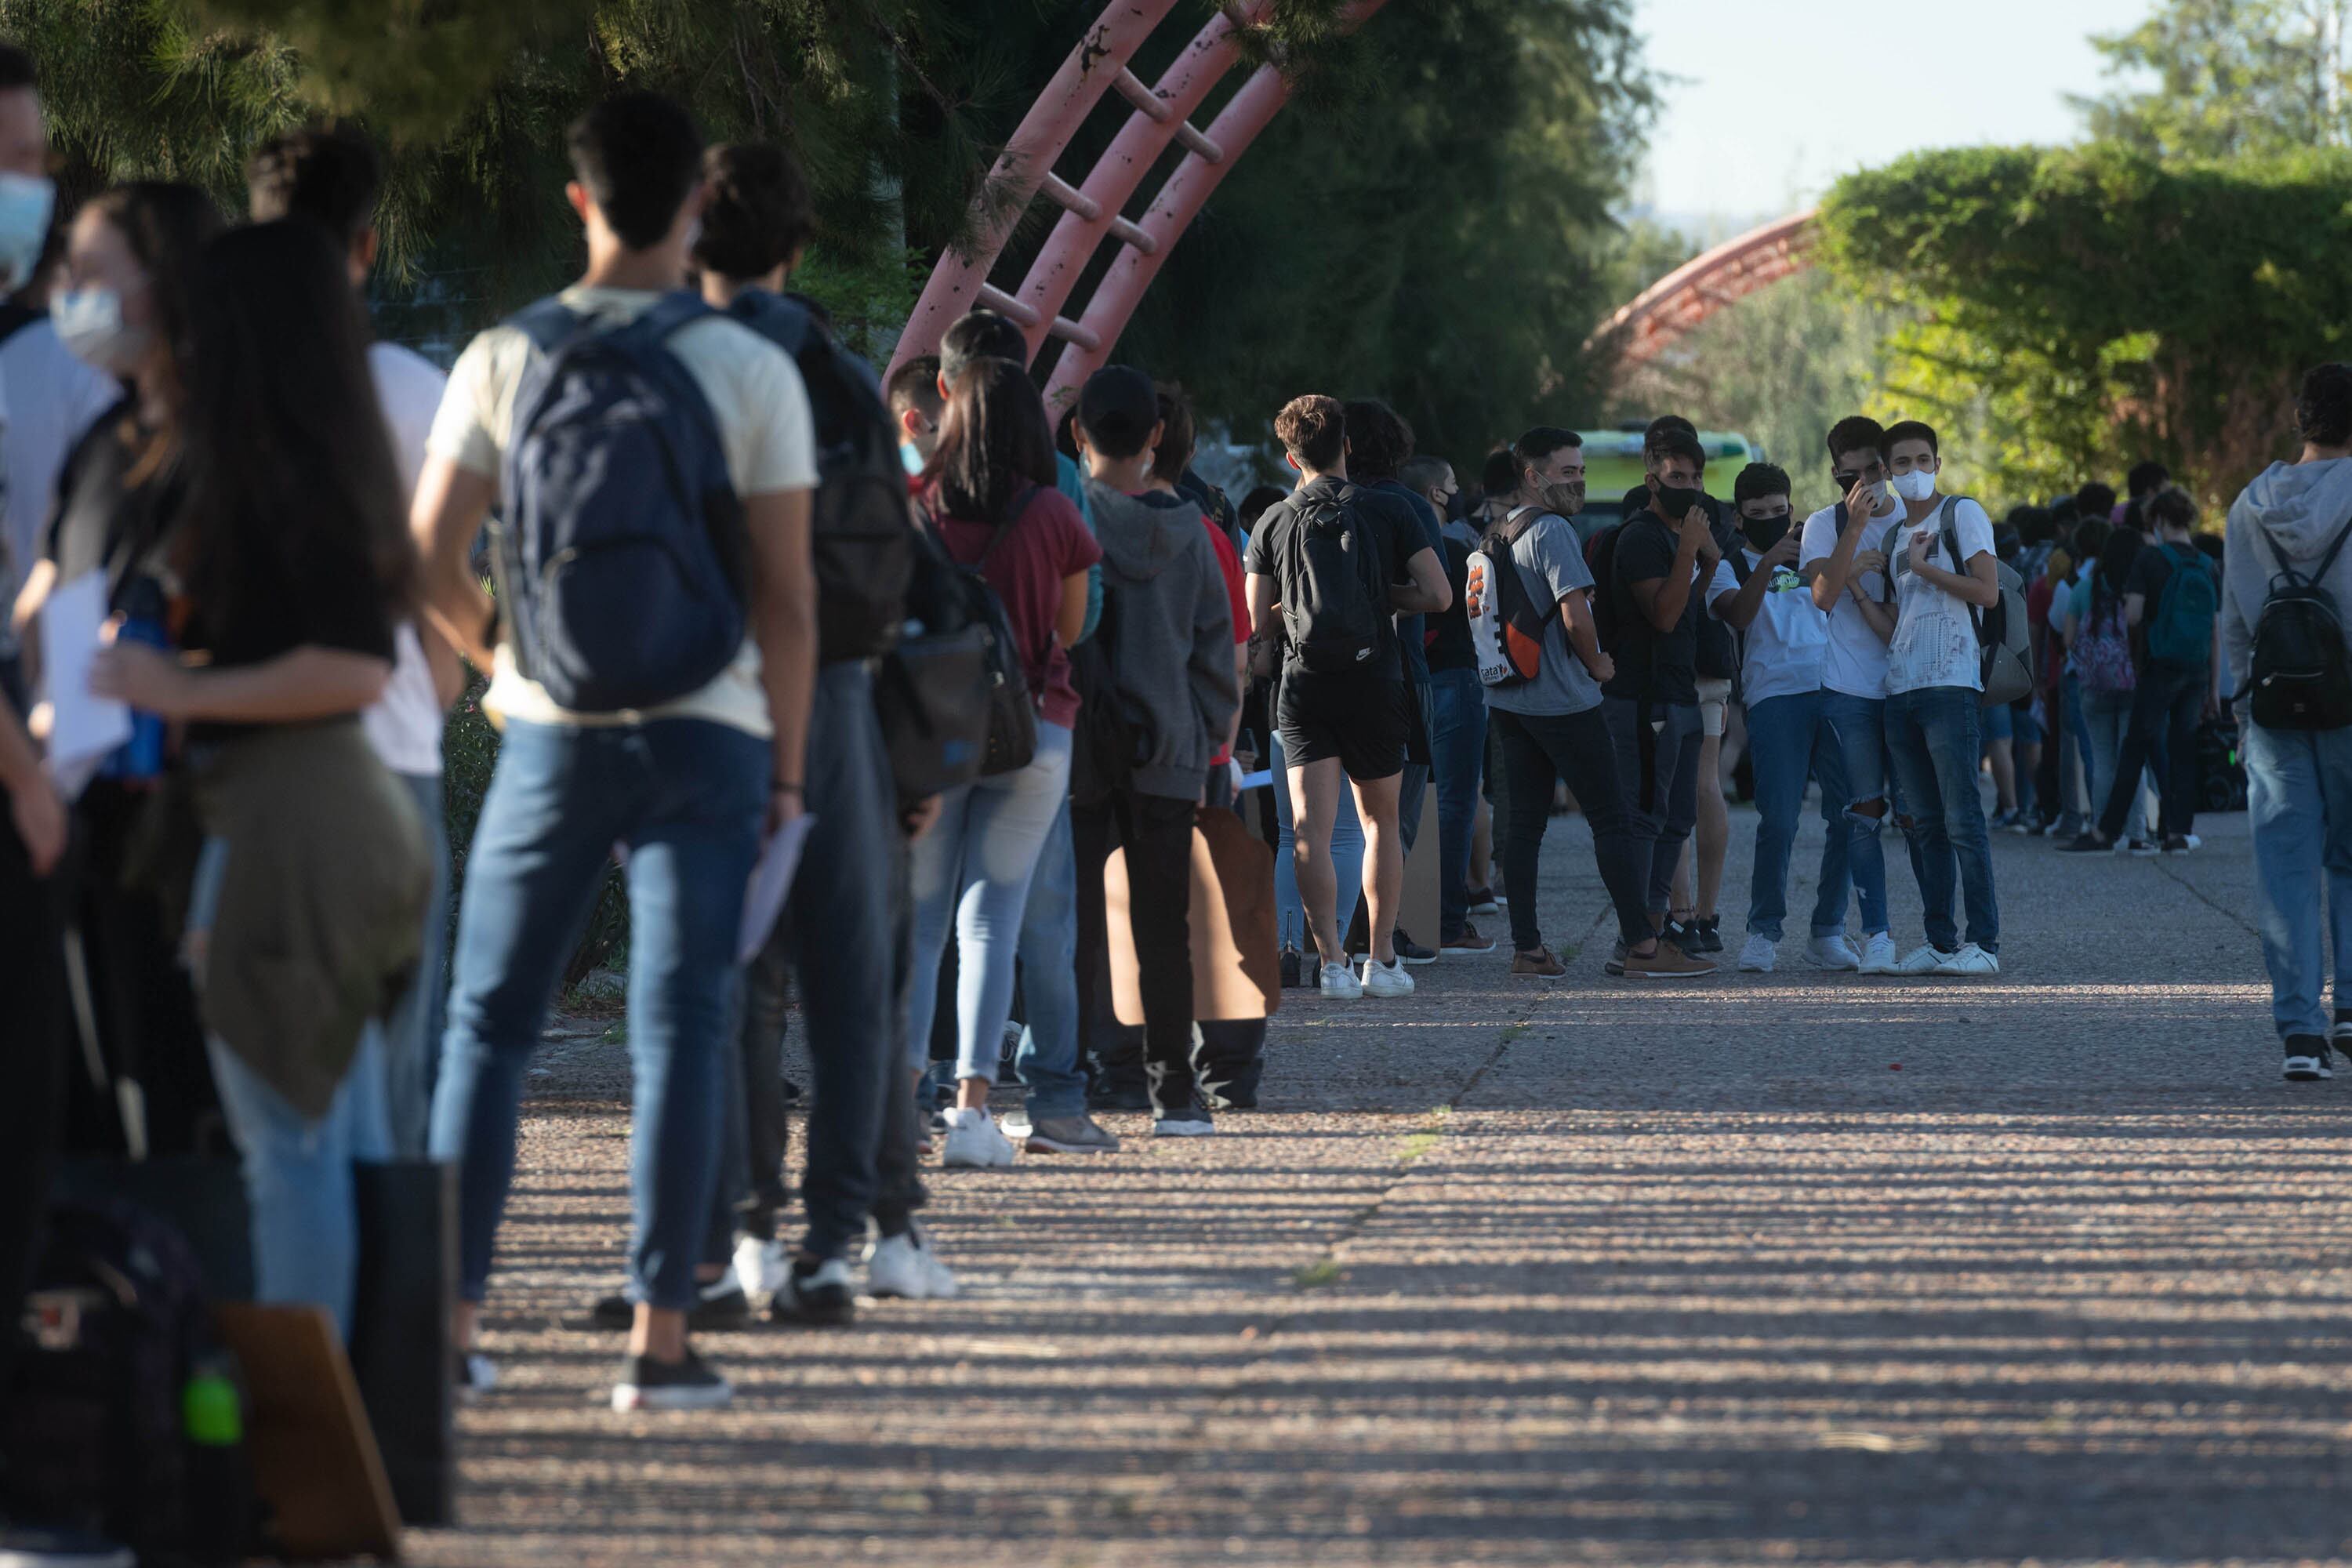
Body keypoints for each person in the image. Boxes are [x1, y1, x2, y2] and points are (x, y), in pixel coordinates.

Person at [416, 93, 819, 1413]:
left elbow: (425, 557)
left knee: (486, 1030)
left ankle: (450, 1330)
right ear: (696, 210)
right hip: (709, 735)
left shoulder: (501, 357)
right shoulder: (751, 366)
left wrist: (508, 660)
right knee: (682, 1026)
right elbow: (788, 599)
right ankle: (656, 1346)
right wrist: (788, 774)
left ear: (576, 200)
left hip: (550, 735)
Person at [89, 219, 428, 1338]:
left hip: (291, 831)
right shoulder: (318, 458)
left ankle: (304, 1462)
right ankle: (365, 1439)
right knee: (337, 1146)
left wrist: (174, 690)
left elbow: (348, 663)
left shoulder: (279, 477)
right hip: (330, 826)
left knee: (294, 1158)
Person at [688, 141, 950, 1307]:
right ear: (794, 247)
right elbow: (894, 555)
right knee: (857, 978)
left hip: (703, 688)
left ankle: (743, 1233)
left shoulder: (672, 361)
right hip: (838, 687)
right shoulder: (842, 376)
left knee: (733, 978)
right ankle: (848, 1236)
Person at [245, 122, 459, 1160]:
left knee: (278, 1098)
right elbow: (446, 593)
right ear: (367, 247)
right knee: (397, 1070)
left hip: (246, 764)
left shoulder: (211, 391)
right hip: (397, 756)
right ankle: (404, 1318)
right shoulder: (416, 393)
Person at [16, 183, 225, 1156]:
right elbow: (52, 586)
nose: (70, 292)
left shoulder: (236, 443)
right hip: (80, 811)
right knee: (96, 1104)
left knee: (186, 1108)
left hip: (188, 829)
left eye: (94, 273)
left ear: (166, 283)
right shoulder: (105, 439)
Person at [902, 355, 1099, 1162]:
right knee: (993, 922)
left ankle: (900, 1102)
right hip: (1032, 726)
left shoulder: (914, 504)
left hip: (929, 732)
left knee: (917, 926)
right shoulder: (1052, 510)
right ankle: (976, 1112)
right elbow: (1073, 629)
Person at [1069, 365, 1239, 1134]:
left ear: (1078, 433)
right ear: (1157, 436)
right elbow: (1215, 658)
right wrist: (1210, 746)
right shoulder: (1193, 533)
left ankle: (1089, 1079)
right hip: (1171, 745)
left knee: (1074, 922)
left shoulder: (1069, 518)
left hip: (1077, 746)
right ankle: (1177, 1091)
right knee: (1164, 926)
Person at [1243, 394, 1449, 999]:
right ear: (1348, 447)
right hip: (1375, 681)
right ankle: (1380, 959)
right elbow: (1437, 595)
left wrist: (1303, 611)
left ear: (1289, 457)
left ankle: (1330, 964)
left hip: (1303, 686)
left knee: (1308, 829)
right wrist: (1379, 599)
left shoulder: (1274, 521)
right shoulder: (1391, 510)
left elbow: (1256, 620)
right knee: (1380, 822)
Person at [1486, 427, 1710, 978]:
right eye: (1567, 472)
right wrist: (1597, 664)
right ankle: (1643, 946)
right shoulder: (1554, 530)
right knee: (1612, 818)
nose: (1578, 480)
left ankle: (1528, 948)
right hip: (1564, 699)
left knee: (1524, 825)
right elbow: (1575, 615)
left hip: (1512, 698)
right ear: (1533, 477)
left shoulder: (1502, 530)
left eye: (1581, 470)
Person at [2226, 363, 2352, 1081]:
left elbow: (2235, 621)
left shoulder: (2249, 504)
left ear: (2301, 420)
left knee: (2286, 871)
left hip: (2274, 706)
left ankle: (2301, 1035)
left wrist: (2243, 709)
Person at [1706, 463, 1856, 973]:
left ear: (1792, 509)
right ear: (1740, 519)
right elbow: (1739, 615)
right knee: (1779, 820)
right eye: (1758, 515)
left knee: (1851, 813)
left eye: (1779, 512)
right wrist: (1768, 560)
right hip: (1775, 697)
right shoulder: (1730, 566)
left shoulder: (1816, 554)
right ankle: (1763, 932)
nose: (1772, 519)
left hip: (1835, 689)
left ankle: (1828, 931)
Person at [1878, 420, 2001, 975]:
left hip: (1951, 683)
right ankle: (1939, 940)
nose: (1913, 471)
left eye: (1922, 459)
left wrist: (1927, 568)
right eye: (1901, 463)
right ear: (1887, 472)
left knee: (1962, 820)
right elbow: (1898, 619)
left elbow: (1988, 592)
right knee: (1922, 823)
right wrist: (1855, 589)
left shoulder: (1962, 514)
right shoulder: (1890, 537)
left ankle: (1984, 943)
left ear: (1939, 463)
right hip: (1901, 686)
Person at [1600, 427, 1719, 967]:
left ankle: (1652, 929)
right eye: (1676, 478)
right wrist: (1692, 549)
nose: (1689, 488)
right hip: (1645, 701)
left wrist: (1709, 563)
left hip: (1679, 696)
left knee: (1676, 819)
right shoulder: (1642, 537)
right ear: (1651, 480)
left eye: (1695, 477)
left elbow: (1688, 611)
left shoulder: (1676, 539)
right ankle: (1637, 939)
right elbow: (1664, 615)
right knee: (1644, 817)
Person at [1798, 416, 1903, 975]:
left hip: (1914, 683)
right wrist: (1854, 532)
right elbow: (1821, 594)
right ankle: (1877, 935)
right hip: (1849, 688)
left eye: (1874, 471)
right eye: (1850, 477)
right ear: (1836, 475)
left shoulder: (1918, 516)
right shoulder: (1825, 524)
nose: (1863, 484)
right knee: (1863, 813)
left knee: (1920, 815)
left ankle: (1944, 935)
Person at [1341, 398, 1444, 965]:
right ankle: (1382, 934)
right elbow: (1437, 591)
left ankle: (1333, 936)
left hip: (1319, 675)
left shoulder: (1310, 504)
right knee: (1395, 813)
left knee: (1328, 821)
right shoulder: (1408, 506)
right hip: (1400, 670)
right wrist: (1381, 602)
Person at [2067, 488, 2220, 856]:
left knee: (2135, 748)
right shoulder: (2207, 563)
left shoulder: (2150, 559)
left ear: (2159, 520)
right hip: (2197, 670)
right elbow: (2214, 629)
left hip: (2159, 667)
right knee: (2183, 750)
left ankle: (2106, 831)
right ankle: (2177, 831)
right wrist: (2213, 688)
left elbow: (2133, 615)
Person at [1401, 451, 1491, 954]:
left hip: (1406, 680)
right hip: (1456, 678)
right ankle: (1450, 920)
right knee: (1457, 801)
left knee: (1406, 805)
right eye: (1453, 483)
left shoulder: (1389, 541)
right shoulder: (1457, 551)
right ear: (1438, 493)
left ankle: (1409, 919)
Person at [2062, 526, 2158, 855]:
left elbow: (2068, 639)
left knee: (2102, 760)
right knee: (2133, 760)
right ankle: (2136, 833)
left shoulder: (2086, 588)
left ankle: (2102, 830)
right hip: (2134, 683)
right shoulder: (2140, 588)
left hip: (2094, 686)